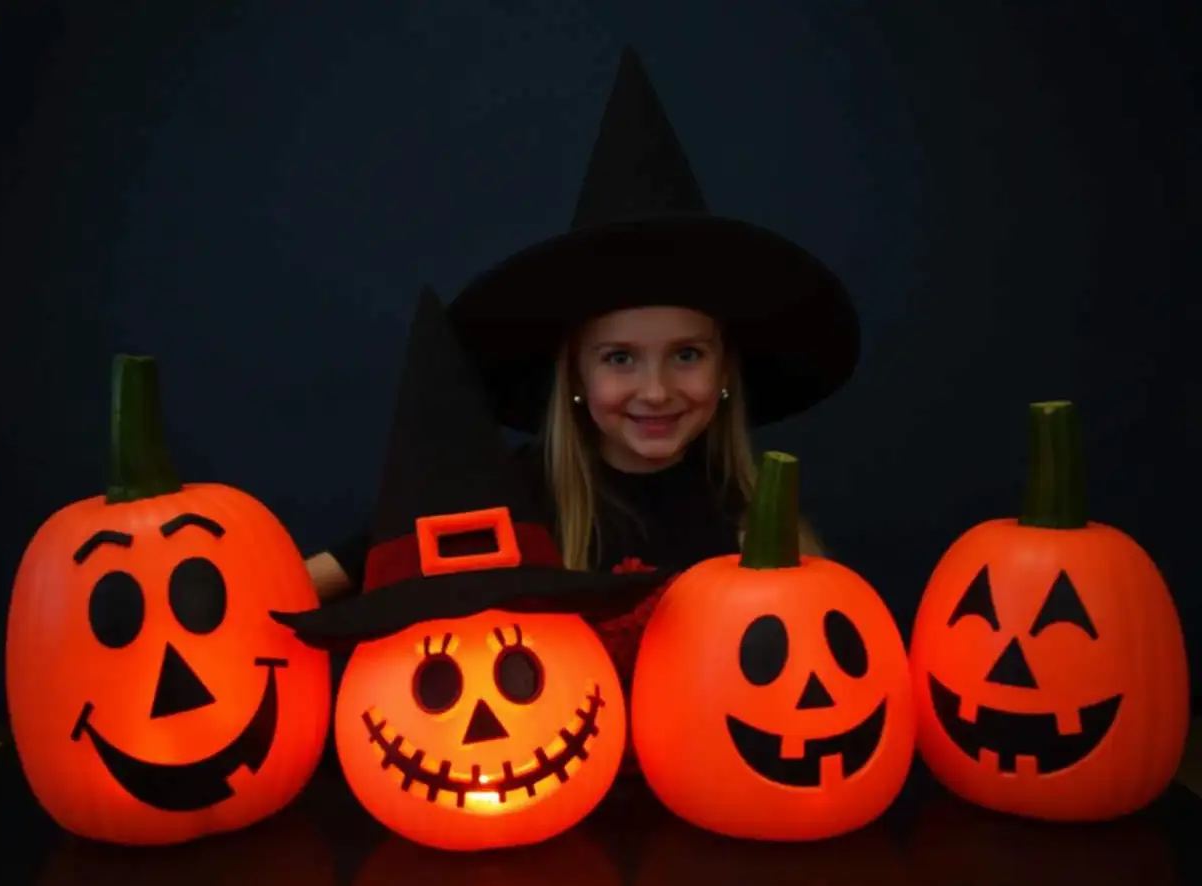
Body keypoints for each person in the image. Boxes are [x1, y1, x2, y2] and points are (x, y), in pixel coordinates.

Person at [306, 46, 859, 691]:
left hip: (710, 783)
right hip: (554, 777)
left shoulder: (756, 519)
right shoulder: (510, 497)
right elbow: (344, 565)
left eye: (687, 354)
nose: (656, 391)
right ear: (573, 375)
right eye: (620, 359)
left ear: (726, 369)